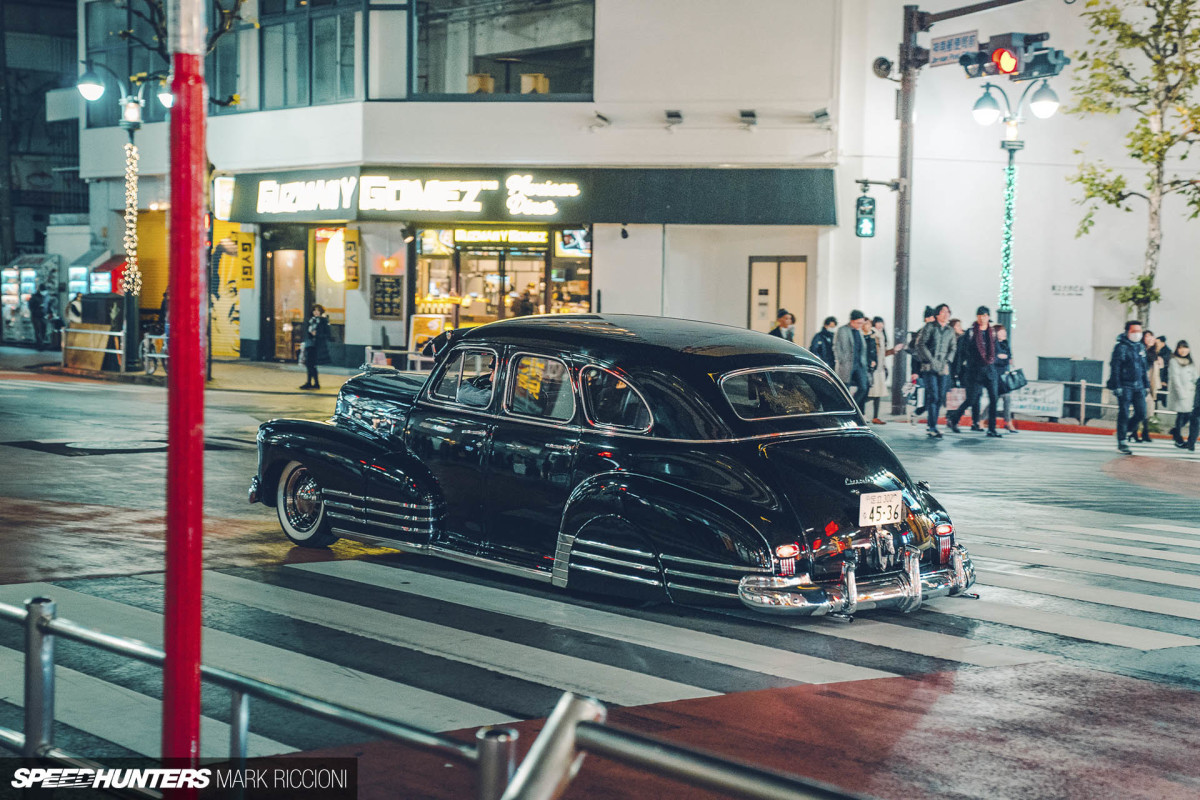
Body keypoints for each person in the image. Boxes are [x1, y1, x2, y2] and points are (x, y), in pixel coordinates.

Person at [948, 306, 1002, 438]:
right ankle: (954, 419)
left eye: (985, 316)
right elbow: (962, 352)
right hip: (974, 371)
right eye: (980, 315)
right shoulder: (971, 333)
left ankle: (992, 429)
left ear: (988, 317)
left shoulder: (992, 333)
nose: (982, 318)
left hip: (990, 371)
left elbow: (997, 350)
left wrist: (997, 361)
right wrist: (958, 370)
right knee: (972, 399)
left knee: (994, 399)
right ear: (977, 317)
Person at [914, 303, 956, 438]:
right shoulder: (930, 327)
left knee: (940, 397)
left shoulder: (950, 330)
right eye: (943, 312)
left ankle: (934, 425)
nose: (946, 314)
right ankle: (931, 426)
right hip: (929, 366)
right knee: (934, 396)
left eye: (948, 312)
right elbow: (921, 344)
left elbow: (953, 348)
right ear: (937, 314)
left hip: (943, 367)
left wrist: (947, 360)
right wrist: (931, 359)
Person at [1109, 320, 1149, 455]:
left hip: (1139, 386)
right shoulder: (1121, 347)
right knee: (1124, 413)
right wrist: (1116, 385)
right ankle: (1122, 441)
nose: (1137, 334)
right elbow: (1115, 367)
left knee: (1142, 413)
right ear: (1127, 332)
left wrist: (1146, 385)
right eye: (1134, 331)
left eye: (1139, 331)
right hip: (1125, 385)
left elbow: (1144, 368)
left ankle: (1125, 431)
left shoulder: (1141, 347)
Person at [866, 316, 905, 425]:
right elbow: (871, 352)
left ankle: (875, 417)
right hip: (873, 369)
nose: (880, 325)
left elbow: (882, 354)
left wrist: (893, 350)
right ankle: (861, 412)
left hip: (880, 368)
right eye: (878, 323)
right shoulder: (873, 335)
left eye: (881, 323)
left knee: (878, 393)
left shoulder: (881, 336)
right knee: (869, 393)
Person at [834, 310, 871, 410]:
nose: (860, 325)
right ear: (852, 321)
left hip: (859, 364)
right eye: (858, 323)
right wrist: (841, 360)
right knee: (845, 388)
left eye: (862, 323)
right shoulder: (843, 330)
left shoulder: (859, 331)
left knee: (864, 387)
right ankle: (845, 409)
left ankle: (852, 407)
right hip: (847, 364)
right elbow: (837, 347)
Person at [1167, 340, 1197, 448]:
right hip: (1180, 393)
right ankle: (1178, 437)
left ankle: (1175, 431)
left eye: (1185, 348)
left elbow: (1195, 377)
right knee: (1181, 415)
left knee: (1187, 415)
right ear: (1177, 349)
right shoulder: (1174, 361)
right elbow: (1175, 378)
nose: (1183, 350)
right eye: (1180, 348)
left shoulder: (1190, 361)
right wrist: (1181, 393)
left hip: (1190, 394)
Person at [299, 304, 331, 390]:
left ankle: (312, 383)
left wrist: (317, 335)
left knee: (311, 365)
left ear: (321, 312)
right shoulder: (311, 321)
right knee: (309, 365)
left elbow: (328, 334)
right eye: (314, 310)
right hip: (309, 345)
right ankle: (313, 383)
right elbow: (306, 332)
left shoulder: (323, 321)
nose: (316, 312)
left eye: (318, 310)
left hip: (317, 346)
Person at [994, 323, 1018, 433]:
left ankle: (1008, 422)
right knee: (998, 398)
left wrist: (1004, 357)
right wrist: (1002, 358)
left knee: (1003, 398)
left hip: (1005, 375)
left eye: (1004, 331)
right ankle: (1008, 422)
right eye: (1001, 331)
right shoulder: (993, 344)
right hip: (996, 375)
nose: (1004, 333)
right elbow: (993, 359)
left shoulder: (1005, 344)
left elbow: (1010, 359)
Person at [27, 284, 46, 349]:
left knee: (43, 329)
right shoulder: (34, 297)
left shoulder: (43, 297)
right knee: (38, 330)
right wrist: (37, 308)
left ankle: (41, 343)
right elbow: (30, 306)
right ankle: (39, 345)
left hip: (42, 315)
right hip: (36, 316)